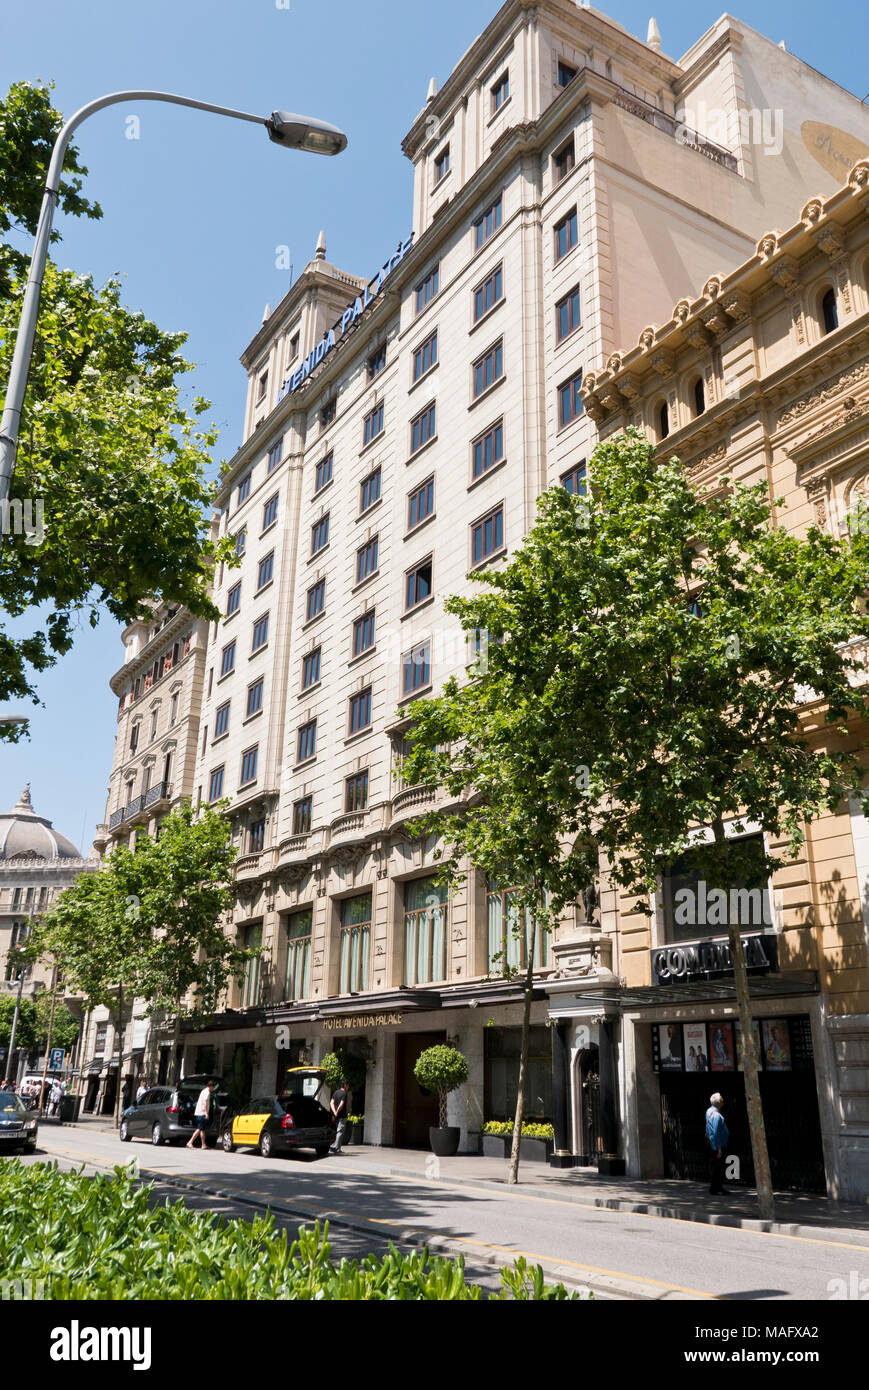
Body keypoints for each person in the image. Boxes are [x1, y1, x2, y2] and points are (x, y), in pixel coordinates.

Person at [705, 1092, 730, 1196]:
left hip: (711, 1143)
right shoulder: (716, 1115)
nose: (723, 1101)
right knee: (718, 1167)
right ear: (718, 1102)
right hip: (717, 1145)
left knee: (717, 1167)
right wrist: (719, 1148)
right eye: (722, 1099)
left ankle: (717, 1187)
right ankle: (715, 1188)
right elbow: (715, 1132)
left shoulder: (709, 1111)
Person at [187, 1079, 215, 1149]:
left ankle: (203, 1144)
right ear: (211, 1086)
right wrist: (206, 1113)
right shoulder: (207, 1092)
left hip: (199, 1113)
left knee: (202, 1129)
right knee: (199, 1129)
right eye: (213, 1087)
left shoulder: (204, 1091)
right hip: (202, 1113)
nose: (213, 1089)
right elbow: (204, 1102)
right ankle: (190, 1142)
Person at [329, 1078, 351, 1155]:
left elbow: (331, 1103)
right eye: (348, 1085)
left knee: (337, 1131)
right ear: (345, 1085)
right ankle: (336, 1148)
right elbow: (341, 1104)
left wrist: (334, 1112)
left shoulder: (335, 1092)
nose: (348, 1087)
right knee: (340, 1132)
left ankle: (335, 1147)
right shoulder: (344, 1093)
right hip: (342, 1115)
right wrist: (337, 1111)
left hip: (336, 1116)